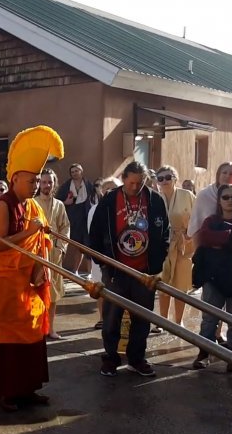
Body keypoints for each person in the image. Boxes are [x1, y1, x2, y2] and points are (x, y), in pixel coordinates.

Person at [0, 125, 61, 412]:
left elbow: (40, 236)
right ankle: (8, 393)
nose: (34, 187)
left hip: (31, 280)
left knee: (33, 335)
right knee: (11, 339)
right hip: (9, 283)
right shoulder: (2, 205)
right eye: (30, 181)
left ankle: (29, 389)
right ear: (15, 178)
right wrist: (29, 233)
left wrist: (40, 235)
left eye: (37, 181)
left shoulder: (32, 207)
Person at [89, 161, 169, 378]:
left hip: (144, 272)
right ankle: (111, 358)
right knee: (112, 318)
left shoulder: (154, 199)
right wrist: (103, 263)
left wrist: (156, 264)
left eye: (140, 182)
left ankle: (136, 359)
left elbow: (165, 233)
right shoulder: (109, 200)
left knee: (142, 319)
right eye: (131, 182)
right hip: (116, 270)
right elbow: (94, 233)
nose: (135, 187)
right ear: (123, 178)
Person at [191, 184, 232, 370]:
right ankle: (204, 353)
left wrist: (221, 242)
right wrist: (231, 237)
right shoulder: (211, 220)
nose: (230, 201)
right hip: (213, 276)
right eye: (226, 197)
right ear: (219, 200)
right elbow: (205, 237)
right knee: (209, 318)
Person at [188, 162, 232, 344]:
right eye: (224, 172)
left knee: (228, 299)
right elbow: (197, 224)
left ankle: (220, 332)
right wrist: (199, 254)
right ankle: (206, 344)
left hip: (231, 257)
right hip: (209, 254)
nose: (228, 176)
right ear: (218, 174)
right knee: (210, 299)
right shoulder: (204, 195)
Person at [155, 165, 196, 330]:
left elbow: (198, 217)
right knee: (163, 282)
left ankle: (178, 321)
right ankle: (162, 321)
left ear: (175, 178)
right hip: (162, 246)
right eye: (161, 178)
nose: (164, 181)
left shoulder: (187, 195)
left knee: (181, 284)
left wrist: (190, 232)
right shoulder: (155, 198)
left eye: (168, 177)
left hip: (183, 245)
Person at [35, 168, 70, 340]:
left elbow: (65, 227)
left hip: (54, 255)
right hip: (36, 254)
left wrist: (61, 247)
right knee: (36, 291)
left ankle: (50, 328)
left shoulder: (59, 205)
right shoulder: (32, 203)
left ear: (54, 184)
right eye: (43, 182)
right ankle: (36, 327)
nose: (47, 185)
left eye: (50, 182)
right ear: (39, 184)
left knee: (53, 294)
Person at [87, 177, 121, 330]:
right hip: (100, 255)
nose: (109, 191)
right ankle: (102, 317)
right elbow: (91, 232)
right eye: (106, 188)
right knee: (100, 287)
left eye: (113, 187)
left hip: (120, 257)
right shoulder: (94, 209)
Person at [56, 163, 91, 275]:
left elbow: (95, 199)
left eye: (77, 171)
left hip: (85, 218)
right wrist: (66, 202)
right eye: (72, 172)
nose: (75, 173)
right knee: (70, 244)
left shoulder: (88, 185)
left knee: (86, 246)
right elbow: (57, 201)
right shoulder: (66, 186)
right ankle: (65, 269)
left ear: (81, 171)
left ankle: (85, 272)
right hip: (71, 218)